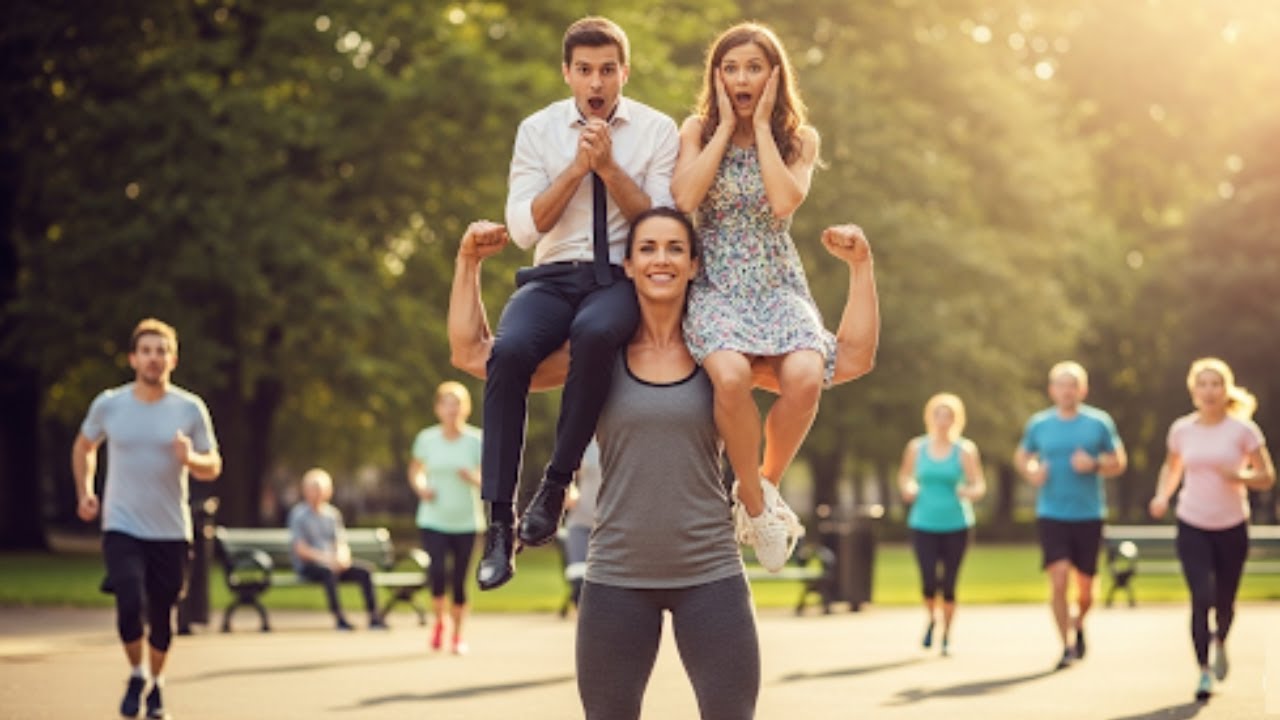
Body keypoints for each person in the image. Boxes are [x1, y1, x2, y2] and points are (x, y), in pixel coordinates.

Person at [448, 209, 878, 718]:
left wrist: (862, 266)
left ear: (696, 264)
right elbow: (475, 354)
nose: (661, 259)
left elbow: (851, 357)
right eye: (647, 248)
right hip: (616, 577)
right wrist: (468, 263)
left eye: (675, 248)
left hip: (711, 574)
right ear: (626, 265)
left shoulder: (721, 357)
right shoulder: (597, 355)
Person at [479, 15, 681, 590]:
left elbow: (660, 222)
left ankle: (555, 482)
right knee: (509, 351)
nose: (597, 83)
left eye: (608, 71)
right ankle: (498, 524)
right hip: (551, 275)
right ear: (567, 73)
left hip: (617, 276)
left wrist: (610, 168)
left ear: (625, 72)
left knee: (596, 335)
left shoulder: (656, 129)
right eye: (586, 71)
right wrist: (577, 167)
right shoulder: (537, 130)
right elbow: (525, 227)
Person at [670, 22, 828, 571]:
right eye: (731, 68)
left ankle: (761, 489)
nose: (742, 77)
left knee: (807, 377)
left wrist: (759, 126)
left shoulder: (799, 139)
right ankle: (758, 506)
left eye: (754, 67)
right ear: (717, 77)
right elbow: (685, 195)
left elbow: (783, 203)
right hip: (715, 283)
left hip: (776, 281)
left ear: (774, 75)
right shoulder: (694, 128)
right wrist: (722, 130)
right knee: (732, 377)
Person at [71, 318, 222, 719]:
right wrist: (86, 492)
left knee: (161, 615)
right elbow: (85, 447)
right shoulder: (109, 404)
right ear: (133, 358)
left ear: (172, 359)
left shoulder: (189, 408)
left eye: (161, 351)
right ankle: (137, 673)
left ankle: (156, 683)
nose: (153, 358)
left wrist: (190, 458)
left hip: (171, 529)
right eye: (147, 351)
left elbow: (213, 466)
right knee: (128, 598)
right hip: (121, 523)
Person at [1149, 358, 1275, 702]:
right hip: (1192, 522)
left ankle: (1221, 640)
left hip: (1232, 524)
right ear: (1194, 391)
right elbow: (1171, 467)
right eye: (1202, 384)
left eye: (1215, 384)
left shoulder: (1243, 431)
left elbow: (1267, 477)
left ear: (1225, 389)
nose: (1209, 390)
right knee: (1200, 596)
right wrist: (1163, 496)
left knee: (1225, 600)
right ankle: (1204, 670)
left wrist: (1239, 477)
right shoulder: (1181, 430)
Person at [1014, 361, 1127, 670]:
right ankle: (1065, 645)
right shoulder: (1039, 424)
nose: (1067, 390)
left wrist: (1094, 465)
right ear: (1052, 390)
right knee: (1060, 578)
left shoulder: (1098, 423)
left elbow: (1119, 462)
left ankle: (1078, 622)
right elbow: (1022, 457)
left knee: (1086, 588)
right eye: (1061, 385)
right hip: (1051, 513)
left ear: (1083, 389)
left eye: (1073, 384)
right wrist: (1032, 471)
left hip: (1089, 514)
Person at [897, 392, 986, 656]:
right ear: (930, 417)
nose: (943, 420)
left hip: (957, 524)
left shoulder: (965, 450)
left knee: (949, 582)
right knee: (927, 581)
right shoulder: (916, 447)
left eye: (949, 416)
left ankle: (946, 634)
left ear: (956, 420)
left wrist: (970, 492)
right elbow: (904, 476)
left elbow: (979, 483)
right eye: (939, 414)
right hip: (923, 523)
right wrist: (908, 487)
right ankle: (931, 619)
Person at [407, 381, 484, 654]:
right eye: (447, 404)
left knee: (460, 580)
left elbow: (490, 480)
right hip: (433, 519)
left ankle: (458, 636)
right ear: (438, 408)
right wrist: (421, 487)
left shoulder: (477, 440)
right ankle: (439, 621)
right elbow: (416, 470)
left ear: (466, 408)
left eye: (457, 403)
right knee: (437, 572)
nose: (452, 409)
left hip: (466, 522)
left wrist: (472, 477)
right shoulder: (426, 439)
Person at [287, 468, 386, 631]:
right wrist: (327, 559)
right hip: (311, 565)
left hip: (333, 562)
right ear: (305, 491)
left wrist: (342, 558)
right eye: (314, 489)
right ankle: (340, 618)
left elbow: (340, 542)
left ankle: (374, 617)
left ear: (328, 491)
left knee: (365, 571)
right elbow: (301, 549)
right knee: (328, 571)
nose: (317, 493)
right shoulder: (298, 515)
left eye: (321, 489)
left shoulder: (332, 514)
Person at [562, 437, 603, 611]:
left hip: (611, 523)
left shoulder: (625, 438)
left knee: (607, 582)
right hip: (580, 518)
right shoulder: (584, 442)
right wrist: (569, 491)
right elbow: (565, 473)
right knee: (578, 577)